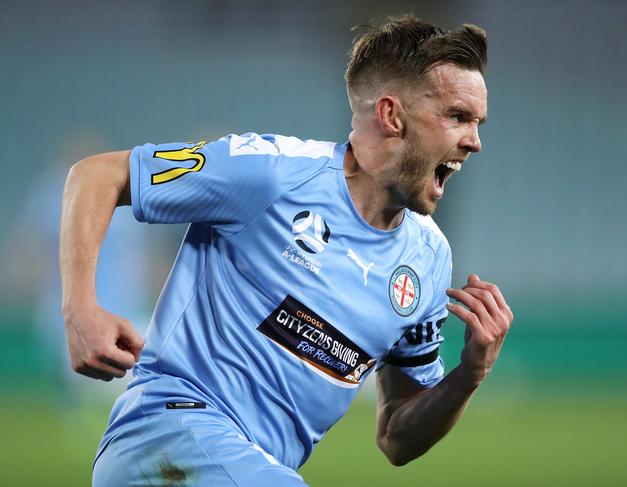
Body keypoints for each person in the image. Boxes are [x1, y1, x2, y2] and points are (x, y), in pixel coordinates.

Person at [60, 15, 513, 486]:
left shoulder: (429, 262)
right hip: (165, 436)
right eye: (457, 116)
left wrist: (468, 375)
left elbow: (397, 436)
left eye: (477, 123)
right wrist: (80, 309)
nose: (475, 142)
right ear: (391, 115)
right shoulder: (270, 173)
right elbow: (96, 175)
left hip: (254, 469)